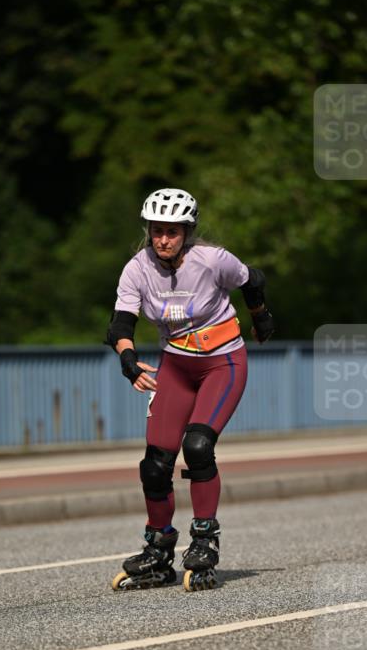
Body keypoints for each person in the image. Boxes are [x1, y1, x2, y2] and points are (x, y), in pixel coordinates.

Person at [106, 188, 274, 591]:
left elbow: (253, 279)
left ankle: (204, 540)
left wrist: (260, 316)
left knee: (197, 447)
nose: (163, 239)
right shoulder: (137, 269)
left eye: (172, 232)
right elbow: (121, 323)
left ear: (187, 232)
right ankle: (158, 548)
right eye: (156, 231)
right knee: (154, 464)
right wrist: (128, 359)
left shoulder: (212, 260)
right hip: (177, 367)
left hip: (223, 363)